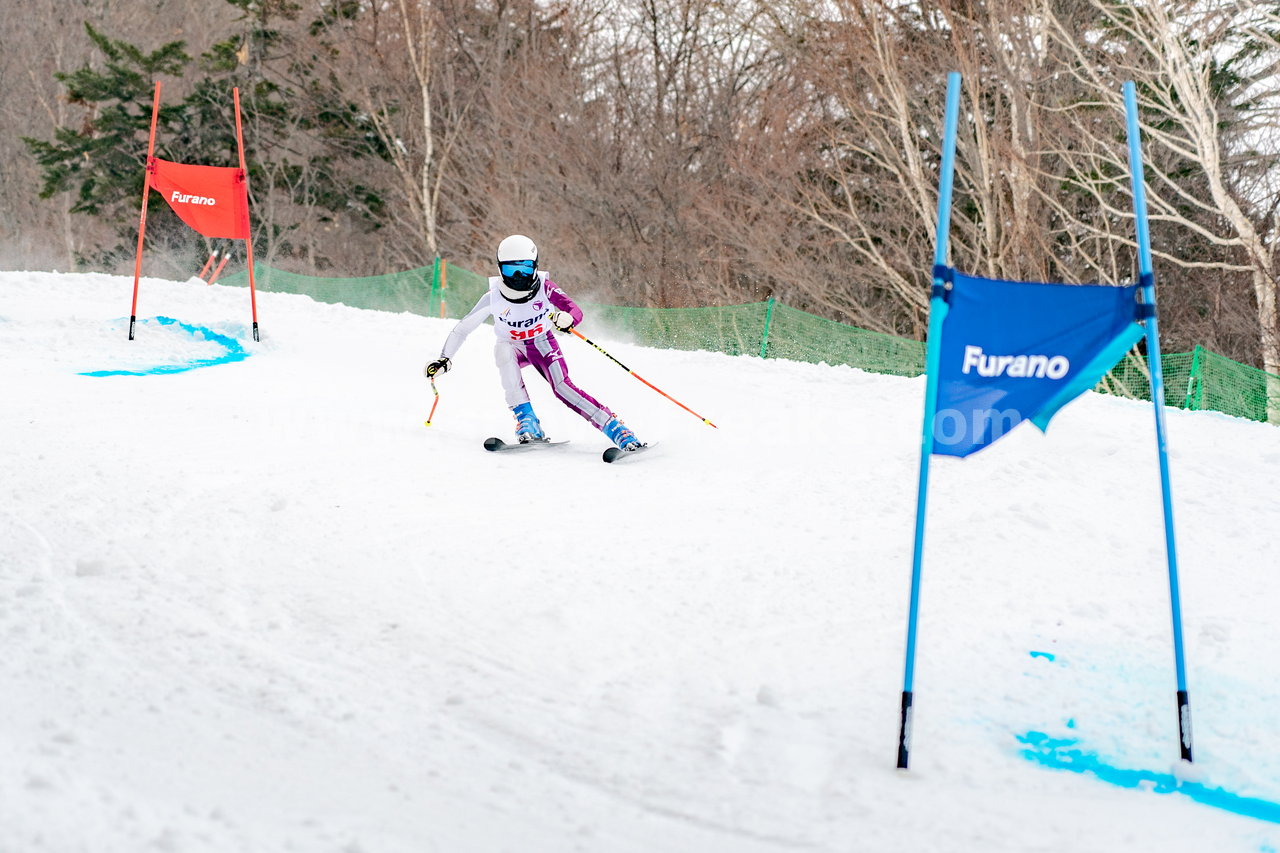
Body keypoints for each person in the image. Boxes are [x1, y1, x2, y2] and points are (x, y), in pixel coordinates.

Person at [424, 234, 643, 450]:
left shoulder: (544, 288)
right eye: (511, 269)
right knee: (503, 353)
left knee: (562, 388)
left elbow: (574, 310)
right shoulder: (493, 297)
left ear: (535, 266)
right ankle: (528, 422)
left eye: (526, 268)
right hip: (511, 345)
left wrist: (568, 319)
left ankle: (615, 428)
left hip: (541, 343)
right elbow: (462, 328)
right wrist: (445, 359)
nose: (519, 275)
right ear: (500, 269)